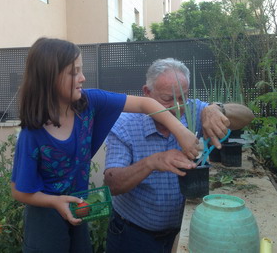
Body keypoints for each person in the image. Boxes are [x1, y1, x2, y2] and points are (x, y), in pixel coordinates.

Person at [10, 39, 200, 253]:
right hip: (45, 218)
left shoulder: (89, 102)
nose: (83, 78)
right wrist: (55, 202)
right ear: (49, 78)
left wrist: (181, 131)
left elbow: (144, 103)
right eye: (74, 72)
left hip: (78, 207)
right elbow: (19, 191)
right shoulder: (32, 133)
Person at [104, 58, 255, 253]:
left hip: (182, 231)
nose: (177, 106)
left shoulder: (194, 110)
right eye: (167, 99)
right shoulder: (125, 125)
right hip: (133, 235)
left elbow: (247, 116)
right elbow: (112, 185)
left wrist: (217, 108)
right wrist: (153, 162)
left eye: (183, 97)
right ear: (147, 93)